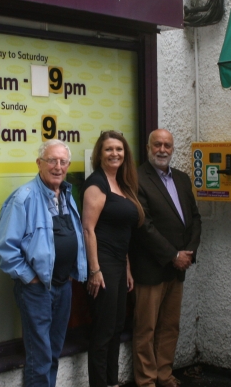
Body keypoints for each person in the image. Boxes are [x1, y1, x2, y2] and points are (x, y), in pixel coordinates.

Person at [0, 139, 87, 387]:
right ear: (39, 163)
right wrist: (30, 278)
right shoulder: (24, 198)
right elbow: (5, 248)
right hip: (36, 289)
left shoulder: (66, 194)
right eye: (51, 160)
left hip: (63, 286)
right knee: (40, 356)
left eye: (63, 161)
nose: (58, 166)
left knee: (54, 351)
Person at [130, 129, 202, 387]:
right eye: (157, 144)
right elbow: (143, 225)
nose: (162, 149)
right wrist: (173, 255)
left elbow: (194, 218)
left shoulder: (182, 179)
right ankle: (147, 380)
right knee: (146, 329)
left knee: (170, 326)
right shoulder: (137, 178)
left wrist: (188, 254)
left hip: (178, 268)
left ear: (173, 149)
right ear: (148, 147)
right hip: (151, 267)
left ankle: (164, 374)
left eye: (167, 145)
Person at [82, 131, 145, 387]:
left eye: (119, 149)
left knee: (117, 327)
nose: (115, 153)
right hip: (103, 264)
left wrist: (127, 267)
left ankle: (111, 382)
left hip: (119, 264)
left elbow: (124, 231)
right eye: (109, 149)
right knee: (103, 331)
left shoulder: (123, 183)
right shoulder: (97, 184)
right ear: (100, 153)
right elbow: (88, 229)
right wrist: (95, 270)